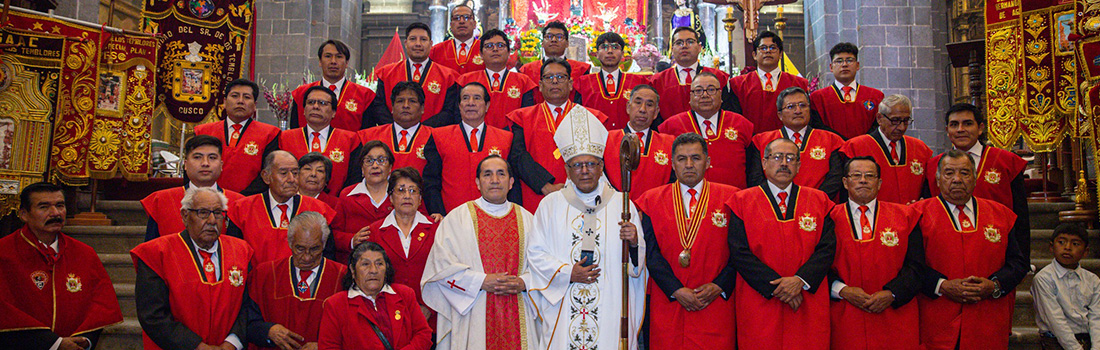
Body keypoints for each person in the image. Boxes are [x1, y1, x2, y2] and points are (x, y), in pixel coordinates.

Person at [526, 108, 647, 350]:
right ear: (567, 169)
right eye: (577, 165)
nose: (584, 170)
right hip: (564, 304)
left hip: (610, 305)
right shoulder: (550, 205)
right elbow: (535, 254)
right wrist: (567, 273)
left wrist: (634, 242)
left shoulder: (622, 204)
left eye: (591, 164)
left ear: (601, 167)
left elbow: (636, 267)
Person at [421, 155, 539, 350]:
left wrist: (523, 282)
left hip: (519, 307)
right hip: (473, 310)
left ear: (511, 182)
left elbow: (542, 267)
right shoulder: (457, 219)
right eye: (487, 174)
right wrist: (480, 281)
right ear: (477, 182)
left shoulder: (528, 220)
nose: (494, 180)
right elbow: (440, 267)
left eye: (501, 174)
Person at [727, 138, 836, 350]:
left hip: (806, 298)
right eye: (777, 157)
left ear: (799, 165)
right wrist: (779, 288)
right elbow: (739, 252)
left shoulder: (819, 200)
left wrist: (800, 281)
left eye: (790, 158)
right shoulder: (742, 201)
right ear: (764, 162)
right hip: (760, 299)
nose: (784, 163)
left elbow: (827, 248)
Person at [914, 149, 1029, 350]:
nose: (957, 179)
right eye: (949, 173)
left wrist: (994, 285)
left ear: (976, 178)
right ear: (938, 180)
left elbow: (1018, 263)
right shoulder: (916, 215)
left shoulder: (1001, 215)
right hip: (936, 321)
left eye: (965, 173)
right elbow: (910, 266)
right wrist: (942, 285)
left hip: (987, 320)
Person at [637, 133, 738, 349]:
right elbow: (650, 253)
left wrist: (719, 285)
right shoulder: (651, 200)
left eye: (696, 158)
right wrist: (675, 290)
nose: (689, 165)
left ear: (708, 162)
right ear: (672, 164)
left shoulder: (731, 199)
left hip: (714, 303)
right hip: (668, 301)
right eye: (682, 159)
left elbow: (739, 252)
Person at [0, 182, 123, 349]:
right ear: (23, 214)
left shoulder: (84, 253)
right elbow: (5, 311)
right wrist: (54, 343)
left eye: (60, 205)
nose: (55, 213)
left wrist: (85, 340)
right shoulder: (4, 252)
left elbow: (100, 304)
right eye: (44, 207)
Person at [131, 187, 253, 350]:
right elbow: (153, 315)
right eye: (203, 212)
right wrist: (196, 346)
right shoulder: (156, 254)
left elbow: (248, 306)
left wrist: (232, 343)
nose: (212, 220)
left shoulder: (241, 251)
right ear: (185, 215)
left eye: (218, 213)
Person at [828, 157, 923, 350]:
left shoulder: (906, 216)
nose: (863, 180)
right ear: (845, 182)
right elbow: (819, 265)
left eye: (869, 176)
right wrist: (842, 290)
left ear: (879, 183)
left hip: (894, 317)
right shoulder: (828, 217)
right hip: (844, 316)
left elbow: (917, 266)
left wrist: (892, 293)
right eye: (856, 175)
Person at [927, 103, 1030, 261]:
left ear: (980, 128)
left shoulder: (1006, 162)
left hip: (997, 248)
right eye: (954, 125)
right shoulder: (933, 166)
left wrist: (1022, 261)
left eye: (967, 123)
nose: (960, 129)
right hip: (947, 251)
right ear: (947, 130)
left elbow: (1021, 216)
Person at [506, 57, 608, 213]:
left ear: (570, 84)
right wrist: (544, 186)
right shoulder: (522, 118)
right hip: (536, 195)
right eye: (549, 77)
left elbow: (599, 161)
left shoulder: (591, 117)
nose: (554, 81)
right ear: (540, 85)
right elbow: (518, 156)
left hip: (581, 196)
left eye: (561, 77)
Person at [246, 211, 347, 350]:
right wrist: (268, 331)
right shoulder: (264, 274)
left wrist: (326, 346)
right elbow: (247, 322)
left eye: (314, 249)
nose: (307, 257)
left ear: (324, 244)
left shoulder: (343, 277)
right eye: (300, 249)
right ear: (290, 243)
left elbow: (354, 331)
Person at [423, 82, 521, 214]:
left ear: (487, 106)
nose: (471, 103)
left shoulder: (506, 138)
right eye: (465, 98)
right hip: (452, 216)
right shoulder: (439, 136)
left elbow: (513, 184)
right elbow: (431, 181)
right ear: (459, 106)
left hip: (495, 216)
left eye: (477, 98)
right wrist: (439, 213)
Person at [227, 150, 335, 266]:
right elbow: (235, 253)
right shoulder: (242, 209)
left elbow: (327, 257)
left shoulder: (319, 209)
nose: (291, 179)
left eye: (295, 173)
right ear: (266, 176)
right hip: (255, 276)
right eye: (283, 173)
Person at [318, 242, 433, 350]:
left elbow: (423, 334)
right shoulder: (336, 304)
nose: (373, 270)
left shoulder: (405, 294)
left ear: (386, 268)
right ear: (353, 270)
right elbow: (328, 347)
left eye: (379, 264)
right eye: (365, 264)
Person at [366, 167, 439, 326]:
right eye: (401, 190)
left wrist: (429, 307)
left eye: (413, 190)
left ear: (420, 198)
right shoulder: (375, 231)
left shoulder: (436, 229)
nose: (407, 196)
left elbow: (444, 272)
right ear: (390, 197)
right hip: (385, 316)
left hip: (430, 317)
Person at [658, 71, 754, 188]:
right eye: (698, 91)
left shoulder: (741, 124)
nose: (705, 95)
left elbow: (752, 169)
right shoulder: (670, 127)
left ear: (720, 94)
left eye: (711, 90)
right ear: (690, 96)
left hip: (735, 196)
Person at [747, 87, 845, 199]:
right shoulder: (761, 141)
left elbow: (835, 178)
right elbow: (756, 178)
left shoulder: (831, 140)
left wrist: (814, 199)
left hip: (821, 203)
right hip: (773, 203)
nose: (798, 111)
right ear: (780, 115)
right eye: (790, 107)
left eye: (802, 105)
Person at [142, 135, 245, 241]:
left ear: (221, 165)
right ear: (185, 164)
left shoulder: (239, 203)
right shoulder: (162, 200)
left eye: (212, 158)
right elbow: (151, 247)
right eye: (197, 157)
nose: (205, 163)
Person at [194, 78, 281, 195]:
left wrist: (242, 199)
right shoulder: (203, 131)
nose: (240, 101)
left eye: (247, 97)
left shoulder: (270, 134)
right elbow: (192, 168)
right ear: (225, 102)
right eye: (235, 96)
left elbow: (268, 172)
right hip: (208, 198)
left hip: (250, 200)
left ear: (255, 105)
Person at [840, 94, 932, 204]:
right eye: (895, 120)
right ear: (879, 118)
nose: (902, 127)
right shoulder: (855, 147)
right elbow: (845, 194)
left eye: (906, 120)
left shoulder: (920, 149)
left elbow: (928, 191)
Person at [370, 22, 460, 127]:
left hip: (433, 134)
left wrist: (421, 130)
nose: (418, 44)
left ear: (431, 44)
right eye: (413, 39)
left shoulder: (448, 76)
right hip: (394, 134)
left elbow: (449, 111)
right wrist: (397, 128)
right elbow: (379, 106)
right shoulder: (386, 74)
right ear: (405, 43)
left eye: (423, 39)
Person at [280, 86, 362, 197]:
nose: (315, 107)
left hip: (336, 203)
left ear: (333, 112)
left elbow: (354, 179)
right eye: (311, 102)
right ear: (303, 110)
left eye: (322, 103)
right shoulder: (285, 138)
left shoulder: (350, 140)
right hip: (292, 202)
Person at [726, 31, 811, 135]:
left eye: (772, 48)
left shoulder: (798, 83)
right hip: (750, 141)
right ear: (754, 55)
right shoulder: (738, 84)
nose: (768, 51)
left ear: (780, 54)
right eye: (763, 48)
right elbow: (734, 119)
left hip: (788, 142)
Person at [1031, 223, 1100, 350]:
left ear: (1086, 252)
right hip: (1055, 341)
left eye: (1075, 244)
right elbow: (1055, 320)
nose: (1067, 248)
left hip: (1087, 340)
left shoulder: (1093, 280)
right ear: (1051, 247)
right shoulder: (1044, 278)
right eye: (1061, 242)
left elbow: (1097, 317)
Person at [289, 39, 381, 131]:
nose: (333, 61)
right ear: (320, 61)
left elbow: (368, 134)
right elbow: (295, 132)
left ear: (347, 63)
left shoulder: (364, 96)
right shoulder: (301, 94)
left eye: (339, 57)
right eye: (328, 56)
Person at [603, 84, 675, 201]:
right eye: (638, 103)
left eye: (649, 105)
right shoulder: (607, 139)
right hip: (616, 205)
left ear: (656, 112)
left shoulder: (669, 143)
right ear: (628, 107)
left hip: (655, 206)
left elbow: (673, 183)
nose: (642, 109)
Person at [456, 29, 536, 128]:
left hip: (512, 135)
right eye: (489, 46)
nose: (495, 49)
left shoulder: (523, 82)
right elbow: (457, 115)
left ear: (509, 52)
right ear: (481, 54)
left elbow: (527, 117)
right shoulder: (466, 80)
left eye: (500, 45)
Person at [332, 141, 395, 262]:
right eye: (369, 161)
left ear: (390, 167)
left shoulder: (401, 194)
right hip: (355, 262)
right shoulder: (347, 195)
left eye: (381, 160)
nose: (375, 165)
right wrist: (352, 240)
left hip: (393, 262)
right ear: (362, 168)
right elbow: (333, 234)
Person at [356, 82, 434, 178]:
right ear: (392, 107)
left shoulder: (435, 137)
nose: (406, 105)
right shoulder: (367, 136)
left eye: (412, 101)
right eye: (400, 101)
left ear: (422, 108)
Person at [648, 26, 729, 120]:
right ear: (672, 49)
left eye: (690, 42)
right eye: (679, 43)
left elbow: (726, 112)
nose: (684, 46)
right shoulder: (658, 81)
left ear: (699, 47)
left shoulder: (719, 77)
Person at [574, 32, 650, 130]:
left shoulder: (638, 82)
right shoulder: (583, 83)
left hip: (629, 138)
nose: (610, 51)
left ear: (622, 54)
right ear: (596, 54)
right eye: (604, 47)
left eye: (615, 47)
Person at [809, 42, 885, 140]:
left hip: (866, 146)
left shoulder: (875, 96)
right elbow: (817, 127)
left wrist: (861, 143)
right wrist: (841, 143)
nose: (844, 64)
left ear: (857, 65)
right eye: (839, 61)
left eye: (849, 60)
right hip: (832, 147)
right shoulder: (817, 98)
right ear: (831, 67)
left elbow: (879, 125)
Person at [518, 21, 591, 90]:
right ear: (542, 43)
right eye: (549, 36)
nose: (554, 40)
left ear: (567, 44)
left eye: (559, 37)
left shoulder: (581, 70)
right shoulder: (526, 70)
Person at [429, 5, 484, 74]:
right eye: (456, 18)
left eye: (466, 17)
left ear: (474, 24)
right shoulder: (436, 51)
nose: (461, 21)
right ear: (451, 25)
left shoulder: (485, 49)